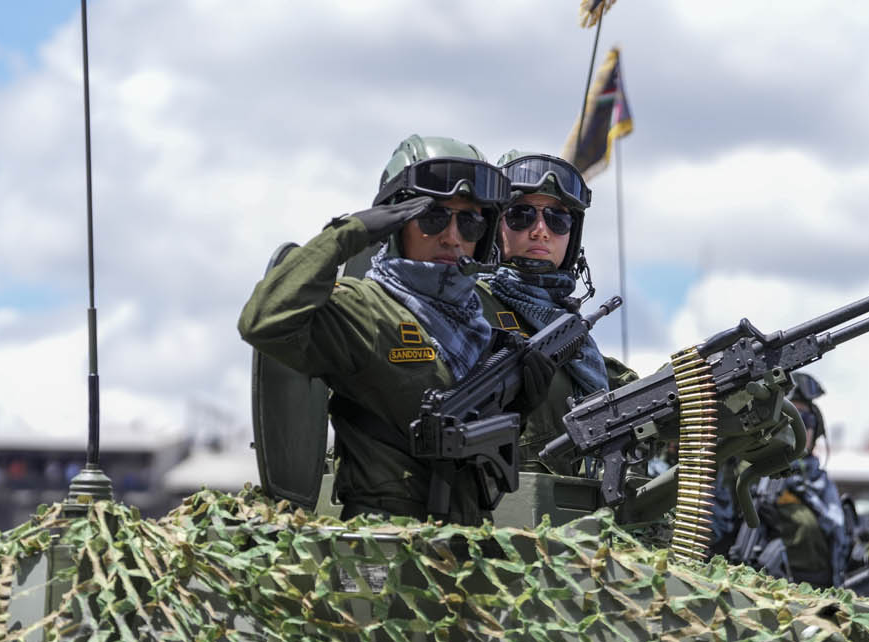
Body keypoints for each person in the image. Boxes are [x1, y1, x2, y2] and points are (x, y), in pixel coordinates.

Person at [237, 135, 554, 525]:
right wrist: (347, 234)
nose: (452, 237)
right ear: (395, 224)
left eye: (470, 221)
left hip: (470, 541)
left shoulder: (479, 325)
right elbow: (263, 322)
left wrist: (516, 410)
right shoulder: (364, 308)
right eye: (433, 217)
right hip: (384, 541)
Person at [479, 151, 639, 476]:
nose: (540, 230)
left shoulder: (573, 337)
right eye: (521, 215)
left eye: (558, 219)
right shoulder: (471, 307)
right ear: (494, 225)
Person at [719, 372, 853, 588]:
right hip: (770, 589)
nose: (800, 426)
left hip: (821, 591)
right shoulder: (749, 472)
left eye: (806, 419)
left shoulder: (820, 484)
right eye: (790, 416)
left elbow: (836, 544)